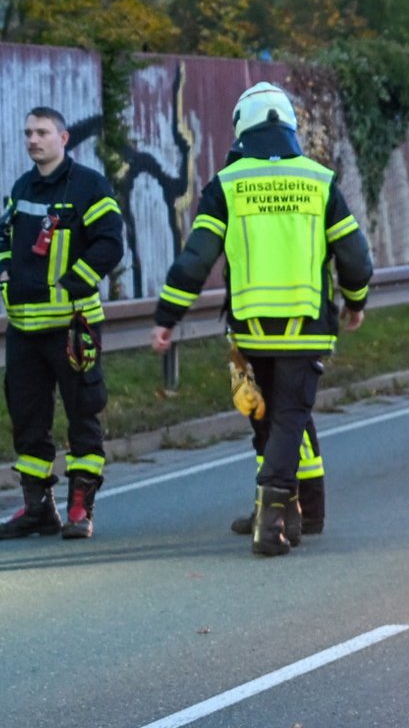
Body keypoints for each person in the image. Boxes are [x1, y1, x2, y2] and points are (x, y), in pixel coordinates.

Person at [151, 82, 372, 557]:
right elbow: (355, 257)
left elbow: (195, 260)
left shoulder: (227, 185)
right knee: (290, 420)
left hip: (249, 331)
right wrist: (356, 301)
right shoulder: (319, 181)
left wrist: (167, 316)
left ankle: (273, 517)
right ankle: (286, 515)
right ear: (289, 126)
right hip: (306, 329)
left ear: (240, 129)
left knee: (265, 420)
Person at [0, 107, 125, 542]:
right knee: (27, 418)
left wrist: (72, 285)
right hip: (23, 329)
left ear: (63, 138)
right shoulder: (21, 186)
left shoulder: (88, 185)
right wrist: (6, 274)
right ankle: (36, 508)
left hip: (72, 327)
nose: (33, 139)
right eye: (28, 132)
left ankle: (79, 507)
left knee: (83, 413)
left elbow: (110, 243)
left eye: (42, 132)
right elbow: (4, 240)